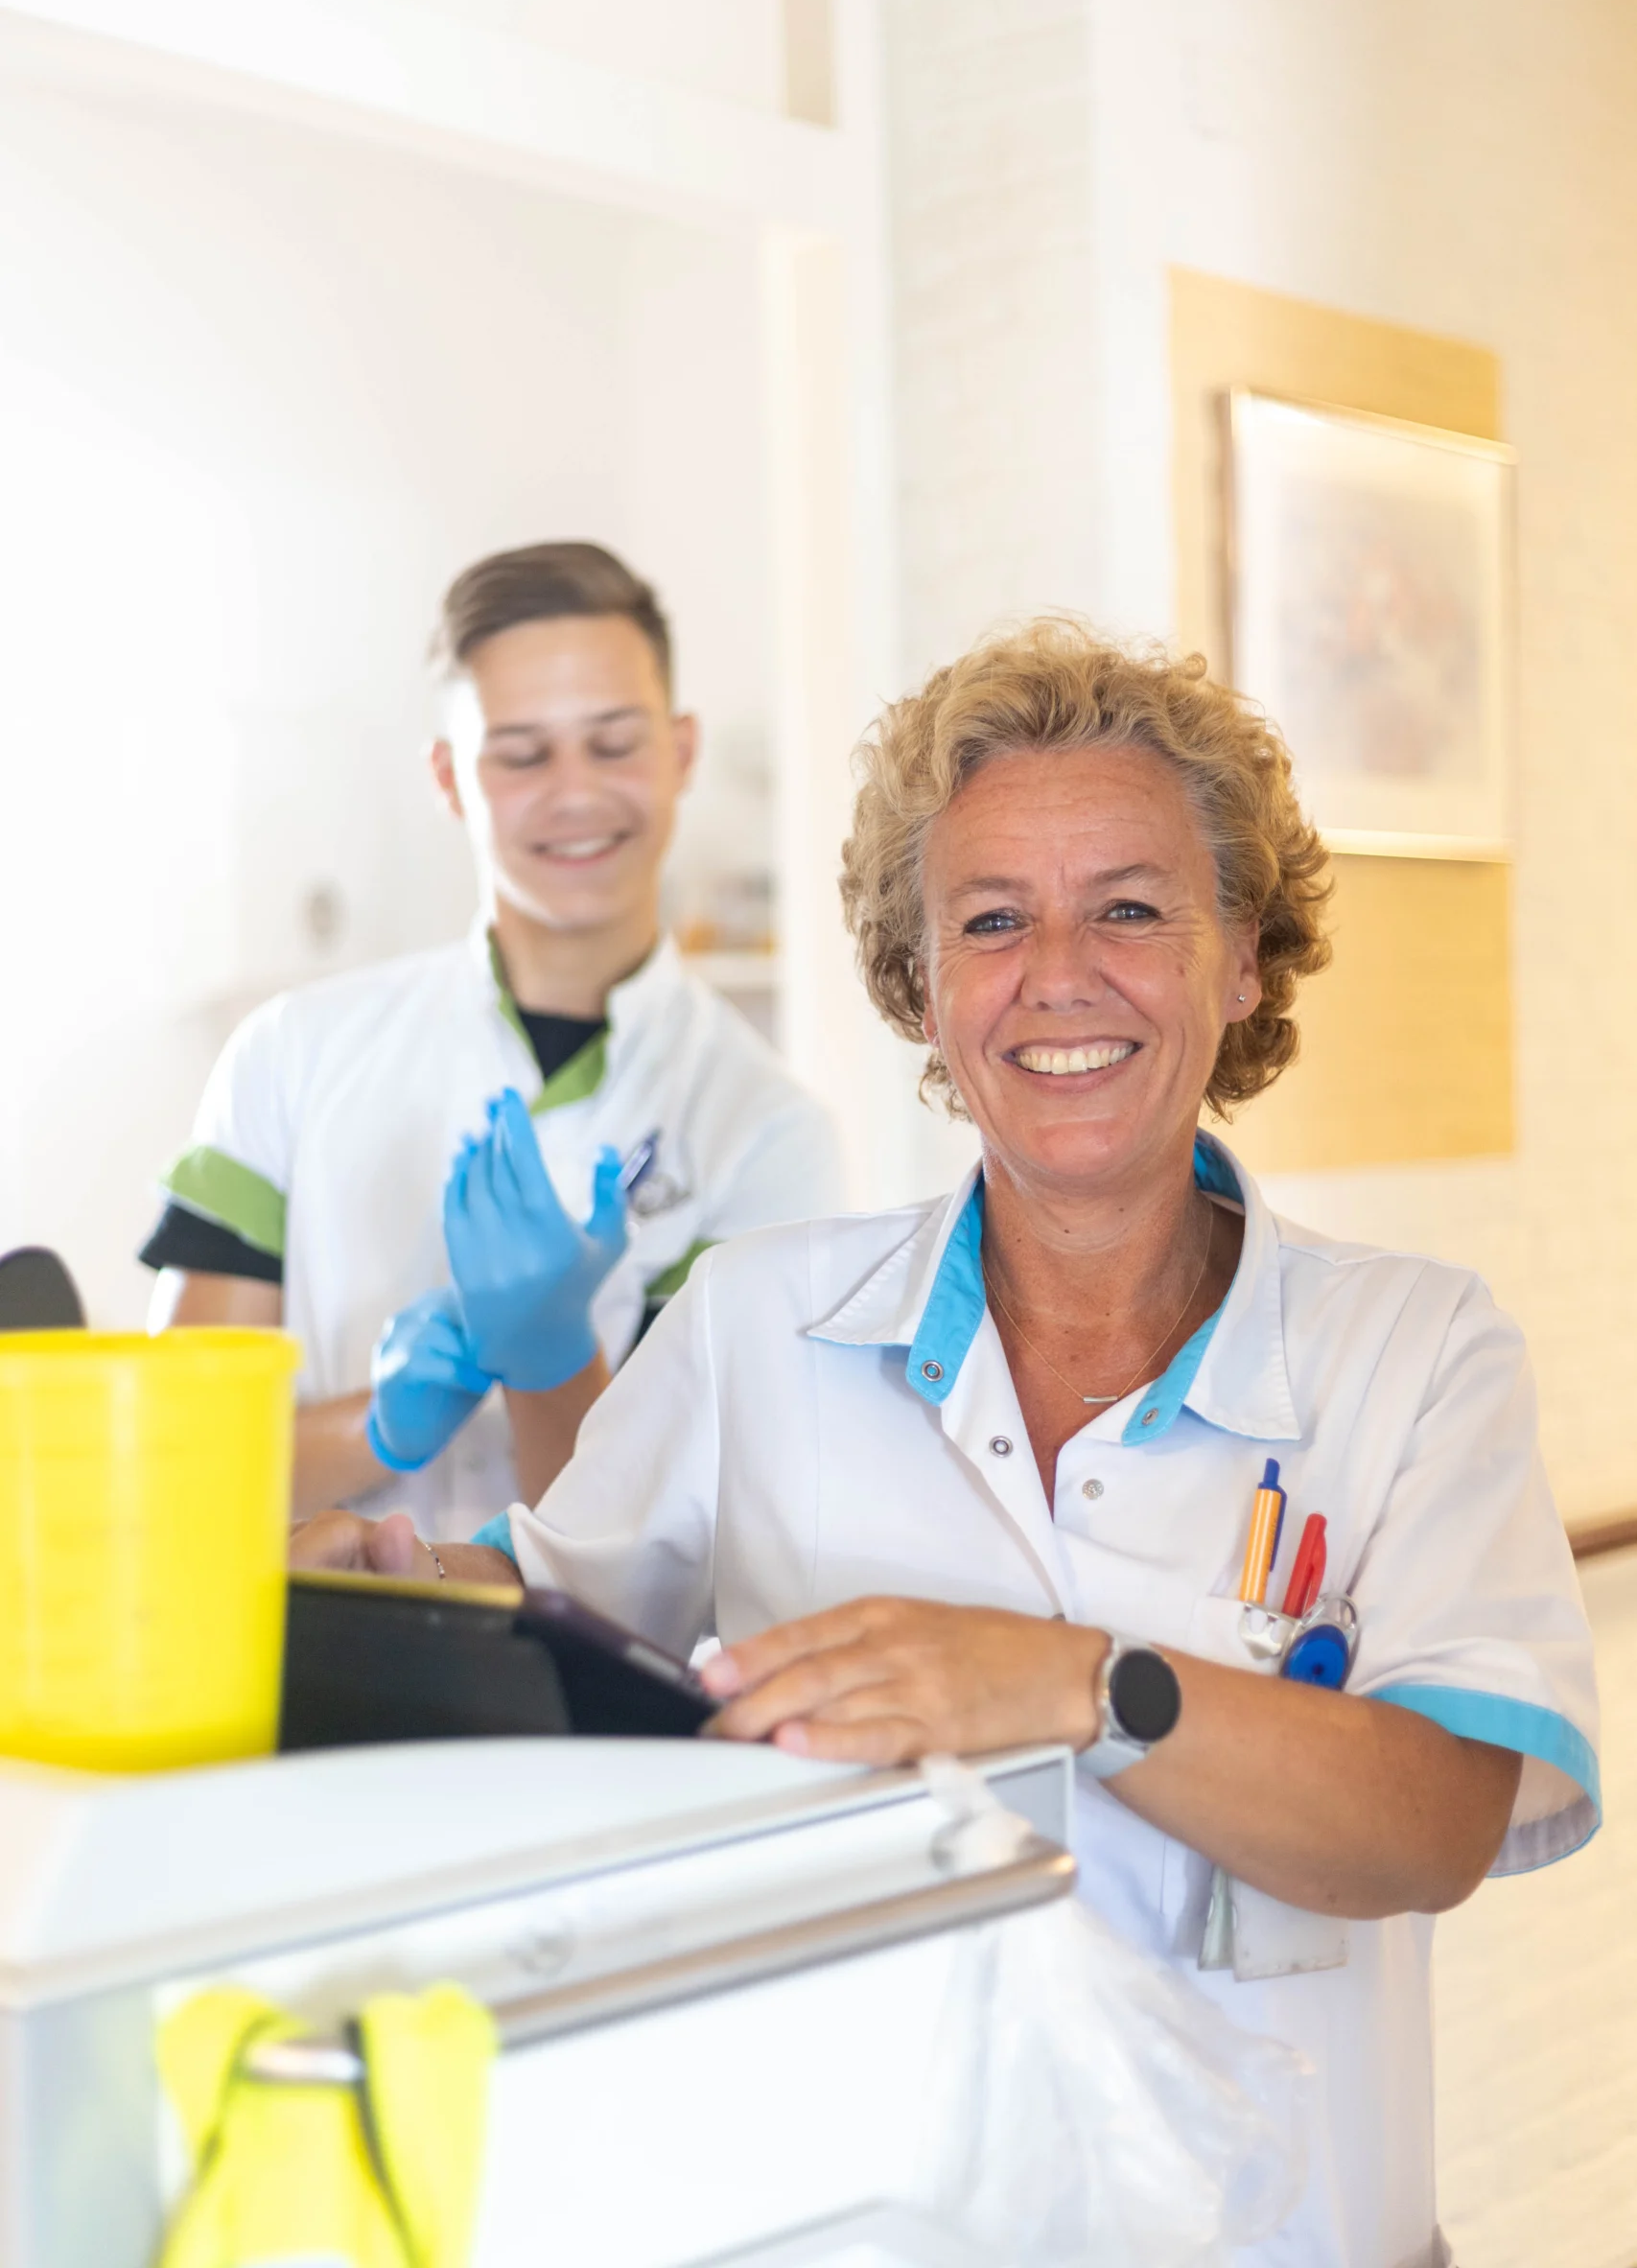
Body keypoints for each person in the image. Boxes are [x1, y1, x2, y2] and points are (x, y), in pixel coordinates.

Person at [294, 620, 1598, 2266]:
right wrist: (361, 1584)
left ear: (1241, 956)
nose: (1059, 974)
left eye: (1129, 907)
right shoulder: (755, 1326)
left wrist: (1064, 1680)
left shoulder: (1410, 1351)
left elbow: (1434, 1826)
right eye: (992, 922)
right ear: (922, 987)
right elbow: (529, 1620)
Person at [144, 541, 843, 1534]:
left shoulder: (767, 1133)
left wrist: (553, 1354)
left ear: (681, 751)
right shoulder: (288, 1057)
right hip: (308, 1674)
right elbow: (167, 1478)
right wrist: (379, 1424)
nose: (574, 794)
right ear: (450, 778)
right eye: (520, 754)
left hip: (581, 1690)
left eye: (613, 744)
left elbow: (685, 1542)